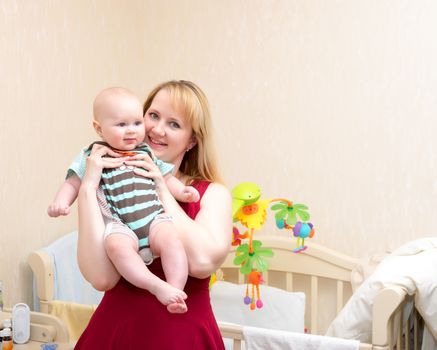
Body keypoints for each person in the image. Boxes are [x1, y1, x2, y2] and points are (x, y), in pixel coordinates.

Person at [74, 80, 232, 349]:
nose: (157, 130)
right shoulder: (112, 186)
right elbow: (102, 278)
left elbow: (202, 261)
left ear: (192, 140)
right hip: (114, 333)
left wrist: (160, 186)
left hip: (182, 338)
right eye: (154, 116)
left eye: (174, 124)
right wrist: (88, 189)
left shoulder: (212, 194)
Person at [48, 87, 202, 313]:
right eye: (121, 125)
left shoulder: (145, 151)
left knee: (172, 240)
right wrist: (61, 201)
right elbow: (73, 182)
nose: (131, 131)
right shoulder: (93, 155)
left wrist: (182, 192)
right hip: (120, 225)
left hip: (153, 218)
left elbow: (165, 177)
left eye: (136, 123)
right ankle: (155, 285)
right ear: (99, 128)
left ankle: (174, 291)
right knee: (116, 247)